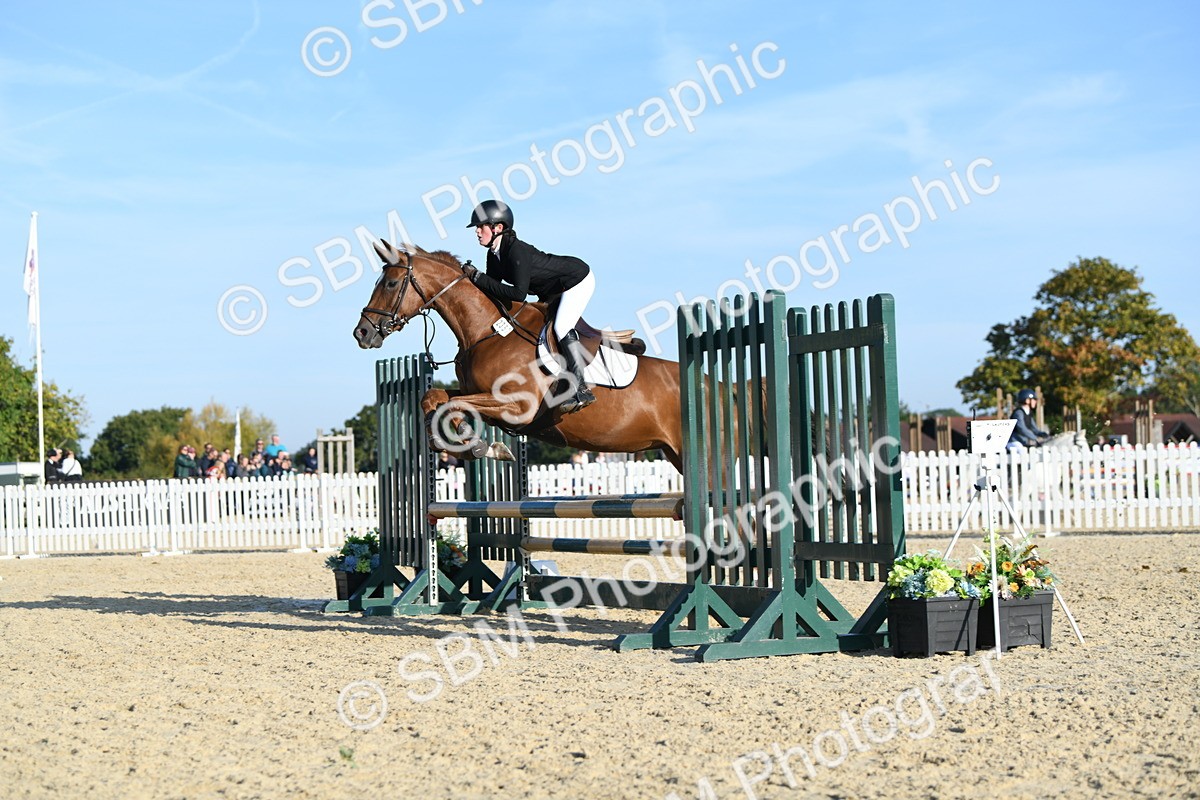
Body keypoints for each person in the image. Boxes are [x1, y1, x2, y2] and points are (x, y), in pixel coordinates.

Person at [462, 199, 596, 412]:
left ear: (498, 228)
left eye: (480, 227)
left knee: (561, 327)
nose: (477, 232)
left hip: (575, 281)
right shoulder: (494, 254)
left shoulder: (516, 251)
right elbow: (493, 289)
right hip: (550, 291)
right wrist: (471, 282)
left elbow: (518, 293)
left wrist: (478, 277)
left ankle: (580, 388)